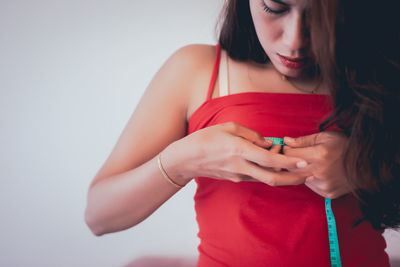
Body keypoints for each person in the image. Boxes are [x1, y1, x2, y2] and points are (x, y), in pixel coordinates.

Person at [85, 0, 400, 266]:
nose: (295, 40)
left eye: (320, 14)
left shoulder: (382, 71)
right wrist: (182, 162)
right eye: (274, 6)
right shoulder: (195, 69)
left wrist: (364, 169)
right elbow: (100, 216)